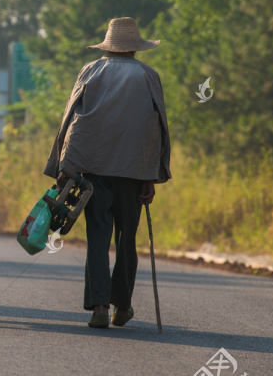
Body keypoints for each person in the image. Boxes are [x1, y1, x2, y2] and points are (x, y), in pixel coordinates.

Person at [43, 17, 171, 329]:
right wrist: (151, 177)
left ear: (109, 45)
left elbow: (73, 122)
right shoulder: (148, 76)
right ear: (135, 49)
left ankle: (100, 307)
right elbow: (156, 128)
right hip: (133, 173)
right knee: (127, 240)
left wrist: (64, 166)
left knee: (98, 238)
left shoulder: (90, 71)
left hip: (92, 173)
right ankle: (123, 305)